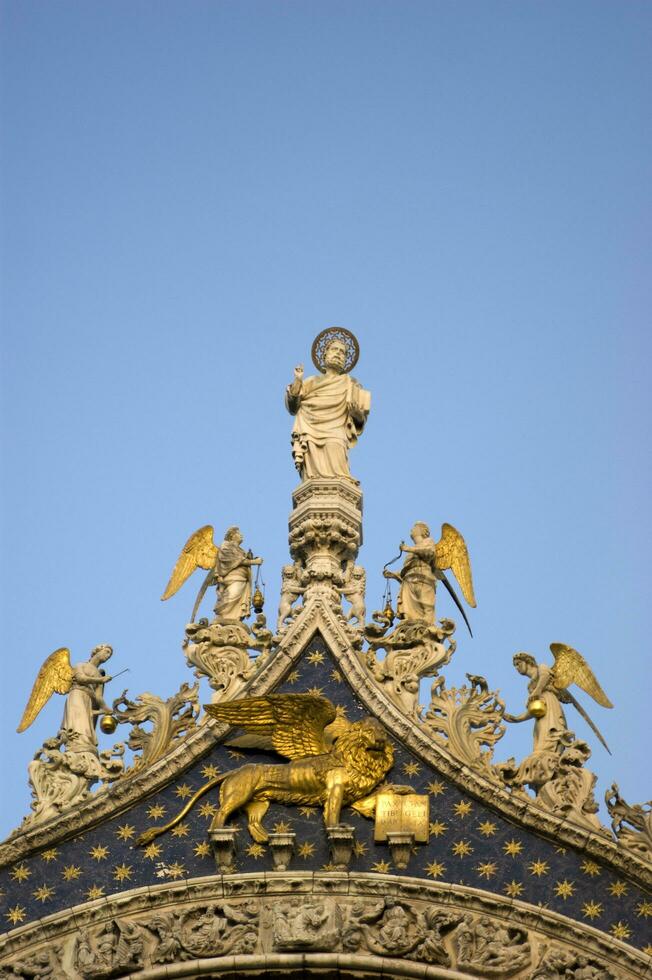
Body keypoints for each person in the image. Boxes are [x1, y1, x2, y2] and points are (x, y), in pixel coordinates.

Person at [285, 338, 370, 481]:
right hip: (310, 429)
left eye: (342, 352)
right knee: (312, 476)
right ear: (325, 355)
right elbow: (293, 406)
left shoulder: (351, 384)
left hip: (336, 430)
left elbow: (360, 419)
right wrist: (298, 381)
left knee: (337, 467)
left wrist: (357, 415)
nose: (338, 354)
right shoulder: (311, 381)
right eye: (334, 350)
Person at [384, 522, 437, 624]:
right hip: (409, 580)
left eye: (414, 527)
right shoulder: (411, 554)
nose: (411, 530)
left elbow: (429, 552)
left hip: (423, 578)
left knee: (425, 604)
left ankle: (427, 624)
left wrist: (409, 549)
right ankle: (410, 622)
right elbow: (407, 569)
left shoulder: (428, 542)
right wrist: (393, 575)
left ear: (422, 530)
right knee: (408, 608)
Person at [213, 527, 262, 622]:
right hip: (233, 578)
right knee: (232, 595)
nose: (241, 536)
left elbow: (241, 560)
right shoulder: (226, 546)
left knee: (236, 598)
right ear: (232, 536)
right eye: (239, 534)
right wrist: (254, 562)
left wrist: (250, 560)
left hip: (242, 578)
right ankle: (222, 616)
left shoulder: (240, 550)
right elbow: (234, 560)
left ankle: (233, 618)